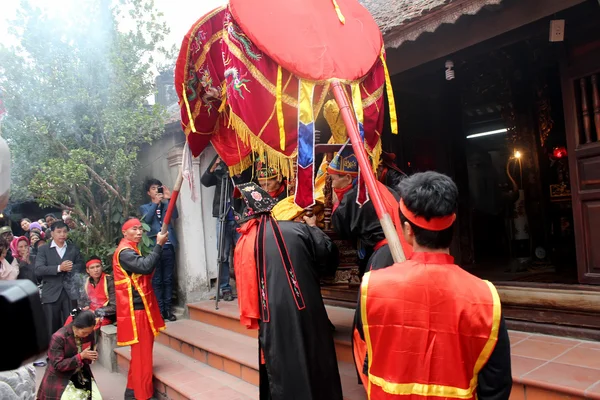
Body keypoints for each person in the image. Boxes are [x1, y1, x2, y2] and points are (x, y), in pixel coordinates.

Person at [354, 172, 512, 400]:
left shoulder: (373, 287)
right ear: (453, 224)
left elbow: (369, 349)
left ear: (407, 230)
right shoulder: (485, 296)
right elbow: (496, 385)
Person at [233, 182, 343, 400]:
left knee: (281, 366)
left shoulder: (244, 243)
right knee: (314, 358)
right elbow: (329, 256)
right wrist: (312, 228)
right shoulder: (298, 230)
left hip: (271, 316)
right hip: (305, 309)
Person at [329, 147, 412, 277]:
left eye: (333, 179)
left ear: (348, 178)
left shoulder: (357, 195)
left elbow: (341, 228)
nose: (332, 186)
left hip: (386, 253)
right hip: (402, 247)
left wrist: (335, 203)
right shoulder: (381, 187)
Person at [114, 218, 167, 400]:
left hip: (139, 308)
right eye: (134, 229)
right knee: (143, 357)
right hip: (137, 311)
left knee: (139, 356)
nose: (138, 232)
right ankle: (144, 396)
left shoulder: (130, 249)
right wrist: (159, 245)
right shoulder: (125, 252)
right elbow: (145, 267)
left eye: (140, 229)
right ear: (124, 232)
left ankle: (132, 392)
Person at [201, 155, 252, 301]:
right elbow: (205, 181)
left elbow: (247, 187)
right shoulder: (219, 171)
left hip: (239, 219)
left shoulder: (242, 170)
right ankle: (225, 288)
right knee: (222, 256)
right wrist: (215, 163)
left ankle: (245, 286)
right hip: (222, 218)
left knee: (243, 253)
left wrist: (237, 175)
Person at [37, 309, 102, 400]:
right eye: (84, 332)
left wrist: (91, 355)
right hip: (60, 377)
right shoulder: (58, 338)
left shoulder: (88, 334)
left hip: (80, 374)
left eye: (89, 332)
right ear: (76, 327)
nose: (87, 335)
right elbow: (58, 365)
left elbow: (87, 357)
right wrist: (81, 356)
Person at [36, 220, 84, 340]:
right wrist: (59, 268)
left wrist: (71, 267)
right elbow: (38, 269)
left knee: (71, 323)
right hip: (51, 292)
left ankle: (71, 351)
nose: (62, 234)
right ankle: (52, 354)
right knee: (52, 325)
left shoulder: (73, 248)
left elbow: (81, 266)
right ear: (52, 233)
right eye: (58, 232)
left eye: (64, 231)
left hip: (70, 293)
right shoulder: (44, 250)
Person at [139, 178, 178, 321]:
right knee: (157, 280)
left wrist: (168, 200)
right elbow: (146, 221)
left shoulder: (166, 204)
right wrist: (155, 204)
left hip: (168, 246)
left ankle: (168, 310)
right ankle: (160, 311)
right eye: (154, 188)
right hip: (153, 248)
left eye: (158, 188)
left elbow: (175, 216)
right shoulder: (145, 207)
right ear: (149, 192)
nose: (157, 191)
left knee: (168, 279)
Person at [65, 256, 116, 327]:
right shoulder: (87, 281)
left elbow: (114, 307)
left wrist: (96, 312)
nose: (96, 270)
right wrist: (84, 307)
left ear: (102, 267)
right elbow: (83, 301)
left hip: (104, 315)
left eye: (98, 266)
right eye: (92, 268)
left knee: (86, 325)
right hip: (91, 312)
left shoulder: (109, 281)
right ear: (87, 270)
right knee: (70, 319)